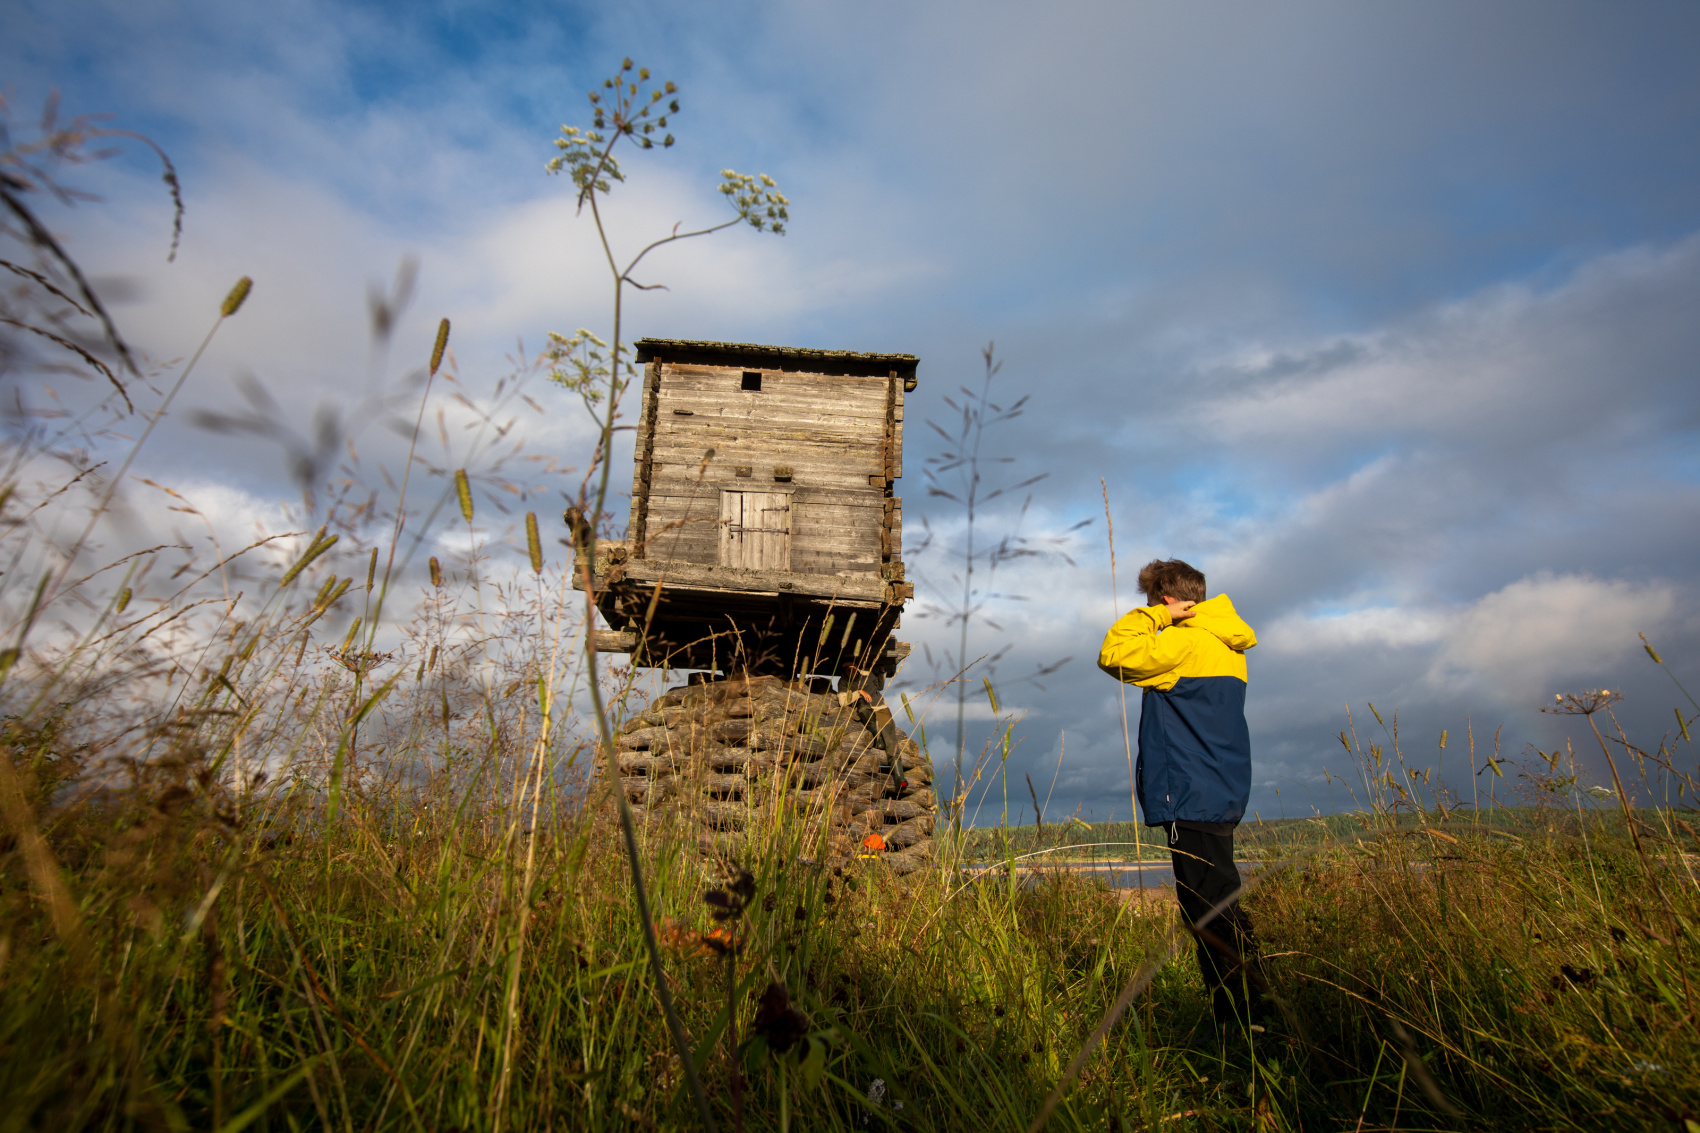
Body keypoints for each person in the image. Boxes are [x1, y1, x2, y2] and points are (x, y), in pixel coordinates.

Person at [1098, 557, 1264, 1035]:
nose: (1148, 611)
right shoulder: (1225, 643)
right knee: (1219, 900)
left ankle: (1245, 1020)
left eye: (1150, 602)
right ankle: (1250, 1013)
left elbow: (1114, 654)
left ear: (1168, 601)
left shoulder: (1183, 640)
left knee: (1208, 910)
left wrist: (1154, 619)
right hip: (1220, 785)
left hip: (1190, 790)